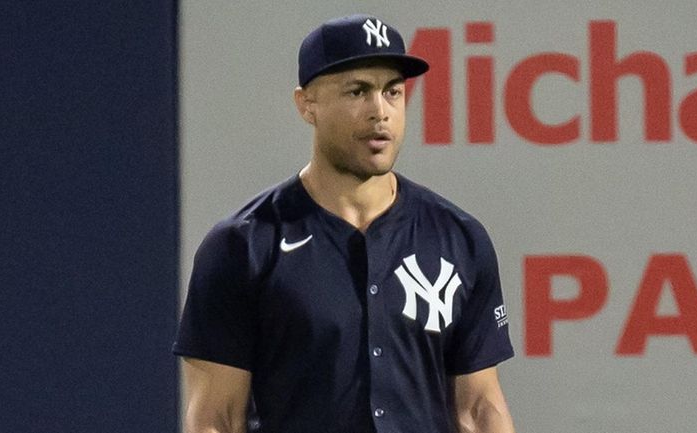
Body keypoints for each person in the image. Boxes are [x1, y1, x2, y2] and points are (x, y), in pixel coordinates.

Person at [173, 14, 516, 433]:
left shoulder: (459, 238)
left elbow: (479, 409)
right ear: (307, 104)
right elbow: (216, 419)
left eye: (393, 92)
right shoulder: (242, 245)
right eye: (358, 91)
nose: (380, 112)